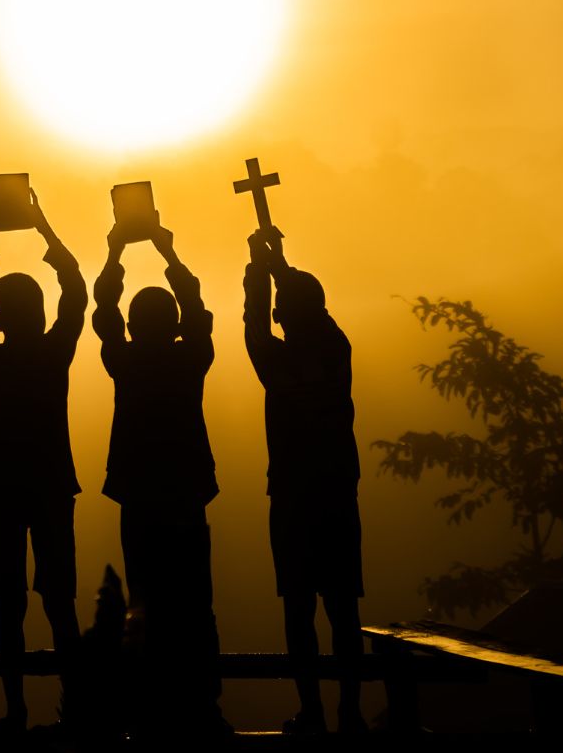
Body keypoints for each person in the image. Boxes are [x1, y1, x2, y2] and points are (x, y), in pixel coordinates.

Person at [92, 221, 229, 737]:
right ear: (173, 325)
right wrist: (167, 250)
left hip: (140, 497)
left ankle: (148, 704)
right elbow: (195, 311)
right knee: (196, 601)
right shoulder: (189, 358)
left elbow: (102, 315)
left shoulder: (124, 361)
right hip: (187, 494)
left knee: (144, 597)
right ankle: (203, 703)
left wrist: (115, 253)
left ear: (132, 325)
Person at [0, 187, 85, 733]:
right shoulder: (55, 353)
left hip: (5, 489)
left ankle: (15, 710)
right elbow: (76, 292)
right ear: (39, 312)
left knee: (9, 605)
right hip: (51, 485)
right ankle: (75, 709)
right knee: (60, 603)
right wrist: (42, 227)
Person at [243, 227, 365, 734]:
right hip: (336, 491)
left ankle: (312, 709)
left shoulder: (273, 362)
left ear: (280, 317)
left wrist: (258, 271)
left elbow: (253, 326)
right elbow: (315, 315)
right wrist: (279, 265)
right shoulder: (338, 352)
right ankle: (350, 711)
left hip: (293, 496)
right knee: (342, 609)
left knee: (299, 607)